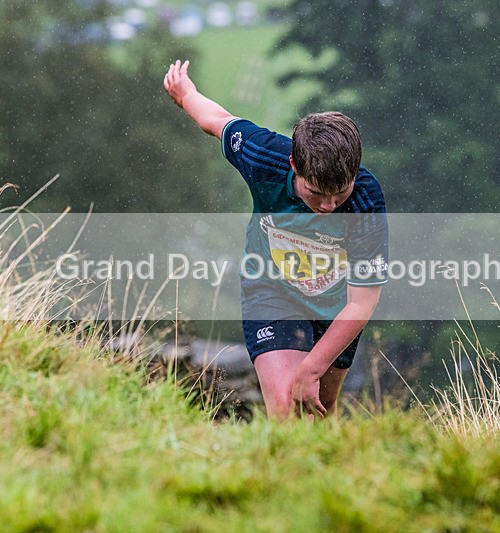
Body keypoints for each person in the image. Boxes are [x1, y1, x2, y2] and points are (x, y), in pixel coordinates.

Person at [163, 60, 388, 421]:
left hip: (336, 307)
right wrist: (185, 93)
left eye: (339, 193)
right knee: (289, 408)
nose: (329, 206)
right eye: (317, 194)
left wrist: (314, 368)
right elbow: (217, 120)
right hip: (272, 289)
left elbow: (362, 303)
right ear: (295, 166)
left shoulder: (366, 199)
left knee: (319, 413)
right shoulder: (264, 157)